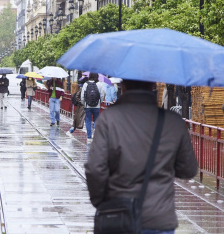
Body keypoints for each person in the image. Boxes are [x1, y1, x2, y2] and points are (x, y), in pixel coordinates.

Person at [84, 80, 198, 234]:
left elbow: (95, 169)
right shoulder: (173, 122)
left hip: (119, 215)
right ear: (153, 85)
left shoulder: (109, 119)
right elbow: (188, 169)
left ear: (123, 86)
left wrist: (101, 202)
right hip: (159, 217)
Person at [81, 73, 104, 141]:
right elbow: (102, 95)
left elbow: (82, 95)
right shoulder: (99, 84)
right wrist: (100, 102)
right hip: (97, 105)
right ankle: (95, 129)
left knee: (88, 120)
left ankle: (89, 136)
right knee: (96, 119)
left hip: (87, 105)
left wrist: (84, 103)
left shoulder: (86, 84)